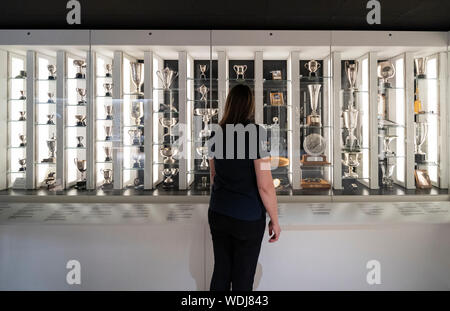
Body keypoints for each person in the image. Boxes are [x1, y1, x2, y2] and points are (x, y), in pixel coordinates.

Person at [207, 84, 281, 291]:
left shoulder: (215, 133)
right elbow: (265, 184)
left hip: (218, 212)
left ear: (228, 104)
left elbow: (213, 176)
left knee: (221, 271)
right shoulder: (256, 133)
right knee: (243, 277)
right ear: (250, 105)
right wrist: (275, 220)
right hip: (247, 218)